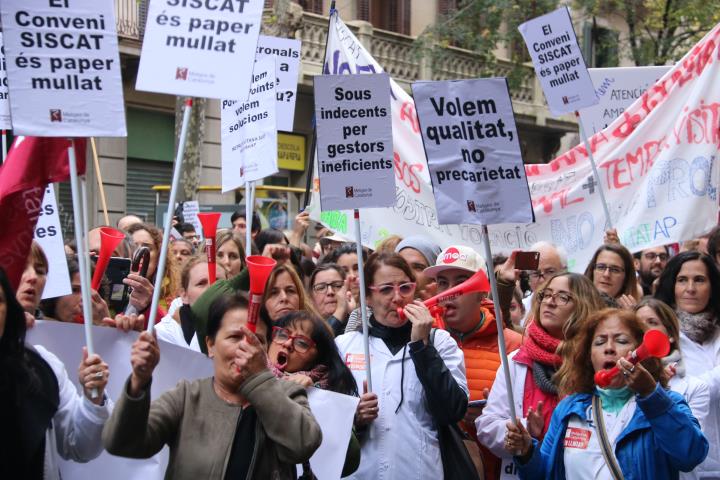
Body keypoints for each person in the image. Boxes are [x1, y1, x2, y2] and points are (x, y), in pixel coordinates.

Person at [102, 294, 322, 478]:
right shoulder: (187, 397)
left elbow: (302, 445)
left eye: (257, 340)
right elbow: (122, 443)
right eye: (235, 337)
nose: (246, 348)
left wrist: (259, 380)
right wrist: (138, 382)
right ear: (210, 345)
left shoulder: (287, 394)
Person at [504, 308, 708, 479]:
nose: (609, 348)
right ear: (589, 356)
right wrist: (527, 451)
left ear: (639, 352)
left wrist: (650, 395)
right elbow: (544, 475)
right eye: (600, 342)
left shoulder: (667, 403)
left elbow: (690, 455)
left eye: (620, 341)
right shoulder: (569, 409)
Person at [336, 252, 468, 479]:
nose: (397, 297)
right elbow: (329, 423)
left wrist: (422, 347)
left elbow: (453, 411)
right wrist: (355, 417)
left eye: (405, 288)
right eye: (386, 289)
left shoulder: (440, 342)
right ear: (367, 297)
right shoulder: (345, 345)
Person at [477, 273, 605, 478]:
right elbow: (487, 426)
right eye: (546, 294)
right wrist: (526, 429)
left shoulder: (595, 362)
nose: (550, 302)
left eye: (563, 297)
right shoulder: (516, 361)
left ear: (584, 307)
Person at [0, 267, 111, 479]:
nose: (32, 277)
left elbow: (80, 446)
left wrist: (92, 399)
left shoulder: (41, 366)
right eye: (22, 267)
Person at [268, 310, 361, 477]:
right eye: (282, 334)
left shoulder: (330, 395)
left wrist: (313, 395)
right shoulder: (245, 376)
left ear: (318, 358)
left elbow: (349, 460)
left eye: (302, 343)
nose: (288, 343)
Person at [655, 251, 720, 477]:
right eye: (682, 280)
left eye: (699, 280)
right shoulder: (659, 336)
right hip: (685, 469)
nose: (690, 288)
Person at [634, 298, 710, 479]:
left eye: (652, 323)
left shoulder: (694, 387)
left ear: (670, 335)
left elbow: (690, 448)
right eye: (637, 323)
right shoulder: (619, 384)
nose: (644, 329)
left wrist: (654, 393)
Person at [155, 255, 212, 352]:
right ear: (184, 295)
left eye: (218, 281)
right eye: (201, 283)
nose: (211, 289)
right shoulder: (163, 334)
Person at [521, 242, 568, 324]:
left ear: (564, 271)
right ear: (529, 278)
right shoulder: (520, 310)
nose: (542, 281)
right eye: (536, 273)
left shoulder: (578, 307)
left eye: (550, 272)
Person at [584, 243, 641, 307]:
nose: (606, 274)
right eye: (601, 267)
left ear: (626, 277)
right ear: (592, 271)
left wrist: (628, 316)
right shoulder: (575, 306)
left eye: (615, 270)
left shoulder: (634, 313)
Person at [309, 263, 355, 337]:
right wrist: (340, 311)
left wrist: (354, 315)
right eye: (321, 288)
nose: (330, 292)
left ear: (347, 291)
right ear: (311, 299)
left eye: (337, 285)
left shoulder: (362, 320)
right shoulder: (305, 329)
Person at [394, 235, 442, 300]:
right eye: (402, 266)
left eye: (418, 268)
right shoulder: (380, 308)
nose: (408, 273)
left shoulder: (451, 309)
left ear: (434, 278)